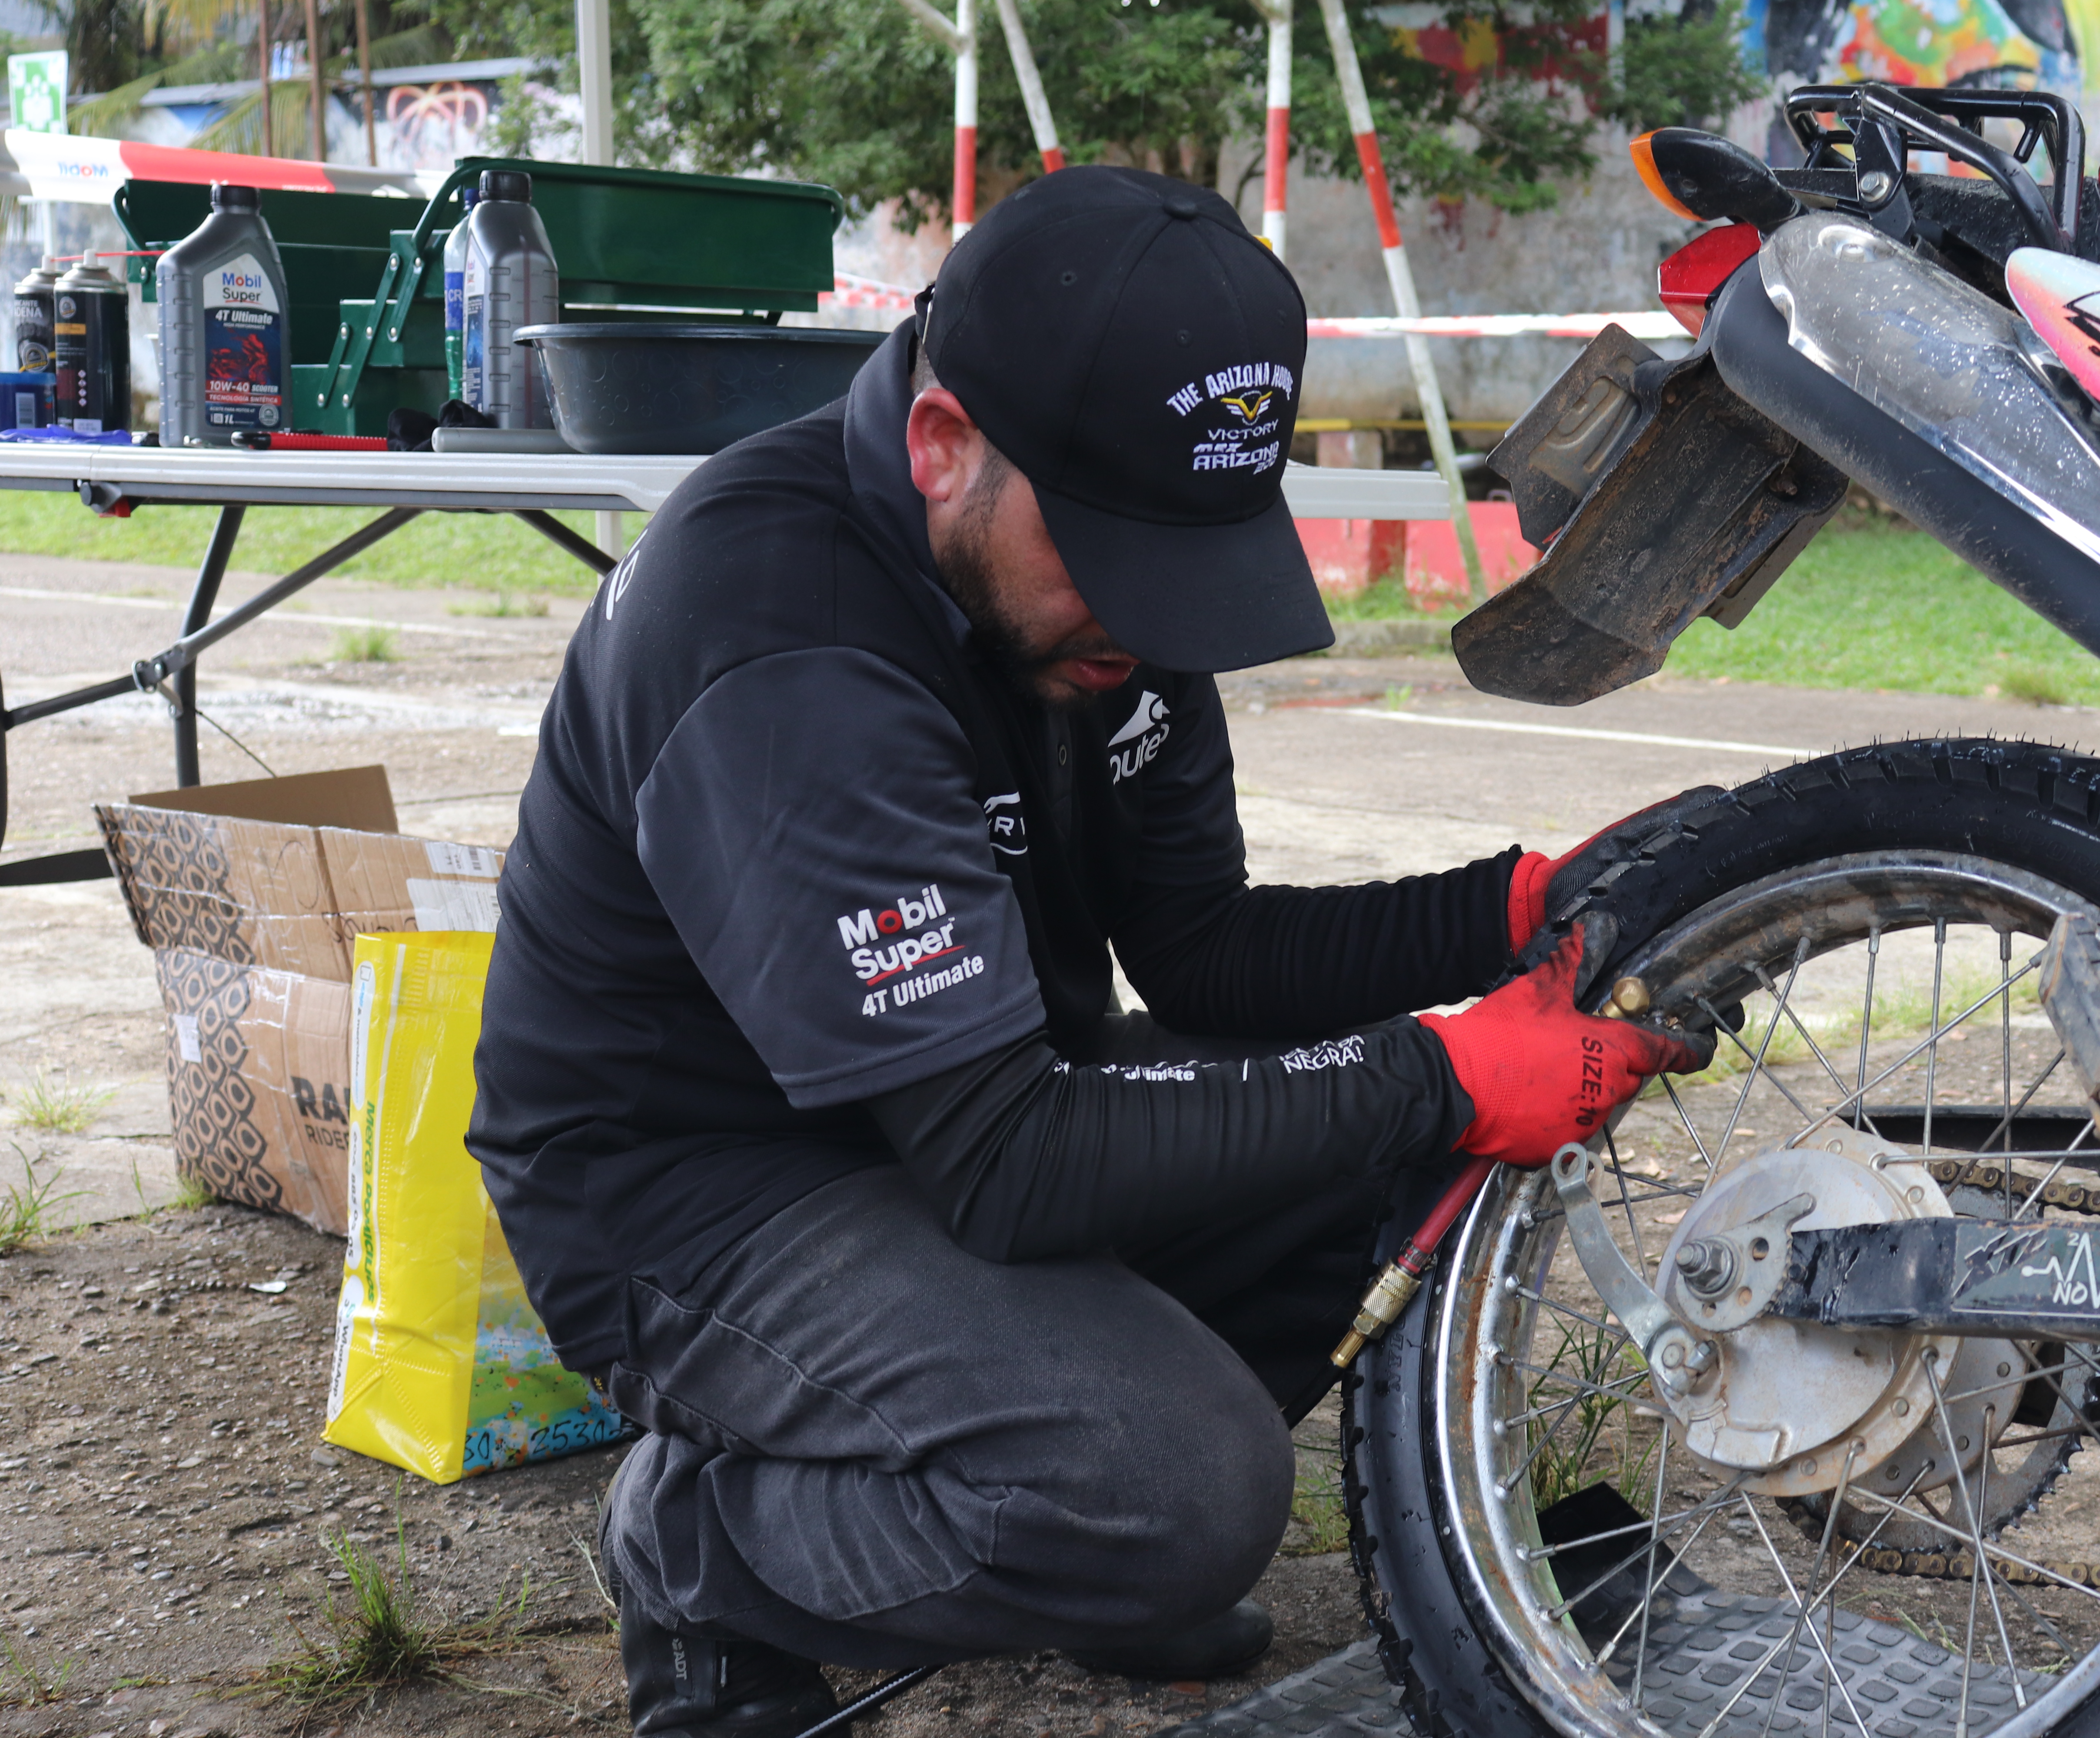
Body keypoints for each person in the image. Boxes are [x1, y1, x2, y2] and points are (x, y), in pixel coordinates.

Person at [468, 166, 1711, 1738]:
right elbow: (1010, 1164)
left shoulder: (1086, 606)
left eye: (1188, 560)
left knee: (1359, 1148)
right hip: (699, 1192)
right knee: (1178, 1493)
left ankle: (1058, 1527)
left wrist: (1516, 905)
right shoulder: (779, 637)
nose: (1157, 620)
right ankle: (697, 1538)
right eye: (1121, 559)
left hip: (969, 1098)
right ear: (943, 447)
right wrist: (1442, 1070)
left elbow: (1201, 959)